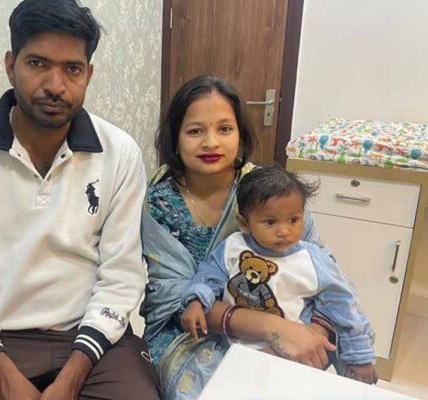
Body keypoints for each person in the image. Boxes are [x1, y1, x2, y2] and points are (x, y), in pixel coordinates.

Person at [0, 1, 159, 399]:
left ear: (88, 74)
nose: (55, 85)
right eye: (38, 63)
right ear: (11, 66)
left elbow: (122, 275)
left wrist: (72, 377)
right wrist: (1, 374)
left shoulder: (120, 153)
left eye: (72, 69)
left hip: (90, 340)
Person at [140, 75, 341, 399]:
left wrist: (309, 334)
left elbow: (320, 270)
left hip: (287, 315)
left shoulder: (269, 192)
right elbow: (173, 298)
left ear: (241, 135)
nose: (211, 142)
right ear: (175, 139)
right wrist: (273, 329)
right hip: (190, 332)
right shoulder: (161, 202)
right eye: (195, 131)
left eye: (224, 129)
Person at [181, 165, 377, 385]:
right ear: (244, 223)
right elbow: (208, 276)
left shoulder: (312, 258)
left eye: (293, 220)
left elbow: (344, 304)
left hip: (288, 351)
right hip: (232, 344)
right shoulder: (233, 246)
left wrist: (360, 357)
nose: (284, 231)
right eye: (270, 222)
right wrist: (196, 302)